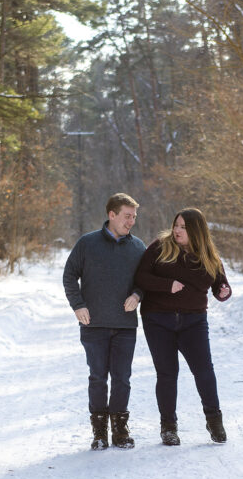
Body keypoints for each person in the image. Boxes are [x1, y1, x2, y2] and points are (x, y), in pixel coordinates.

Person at [134, 208, 231, 446]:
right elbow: (140, 278)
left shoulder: (208, 255)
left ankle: (214, 420)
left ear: (196, 231)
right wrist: (168, 285)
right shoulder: (160, 247)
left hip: (193, 321)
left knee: (204, 371)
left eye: (184, 227)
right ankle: (168, 427)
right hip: (158, 320)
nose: (177, 230)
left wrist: (223, 291)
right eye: (176, 225)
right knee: (167, 374)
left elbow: (220, 284)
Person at [63, 193, 147, 451]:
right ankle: (99, 431)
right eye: (127, 216)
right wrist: (78, 305)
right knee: (98, 377)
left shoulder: (138, 248)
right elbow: (69, 276)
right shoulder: (87, 244)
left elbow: (145, 281)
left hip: (125, 326)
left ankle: (120, 430)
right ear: (112, 215)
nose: (131, 221)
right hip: (94, 324)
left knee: (122, 378)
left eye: (134, 217)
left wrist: (137, 294)